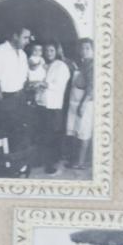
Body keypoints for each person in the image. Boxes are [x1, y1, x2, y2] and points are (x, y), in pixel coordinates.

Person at [0, 25, 33, 176]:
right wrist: (2, 103)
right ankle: (13, 170)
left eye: (29, 37)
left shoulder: (23, 54)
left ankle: (21, 167)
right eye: (25, 37)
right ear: (14, 35)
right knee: (12, 136)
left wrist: (28, 90)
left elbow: (24, 78)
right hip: (7, 99)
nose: (28, 41)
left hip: (21, 97)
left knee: (23, 134)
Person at [39, 42, 71, 175]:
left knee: (53, 136)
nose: (48, 53)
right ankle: (44, 160)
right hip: (43, 104)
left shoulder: (61, 66)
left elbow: (59, 86)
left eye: (51, 50)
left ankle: (52, 164)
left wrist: (44, 84)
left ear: (56, 51)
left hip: (54, 105)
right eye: (46, 51)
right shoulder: (45, 65)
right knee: (44, 134)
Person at [68, 37, 96, 174]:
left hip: (85, 103)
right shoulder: (83, 64)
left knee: (84, 133)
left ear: (93, 50)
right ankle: (76, 160)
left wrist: (83, 104)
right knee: (77, 131)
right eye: (82, 48)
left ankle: (80, 162)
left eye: (87, 48)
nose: (84, 51)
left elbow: (92, 87)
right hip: (75, 101)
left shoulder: (92, 65)